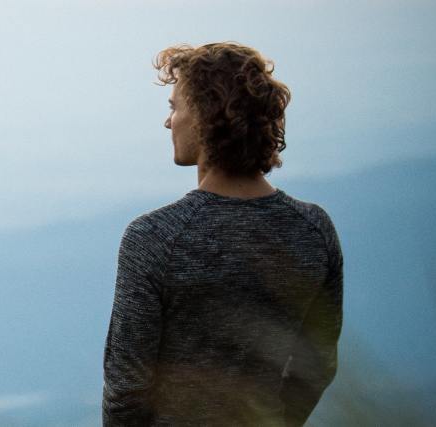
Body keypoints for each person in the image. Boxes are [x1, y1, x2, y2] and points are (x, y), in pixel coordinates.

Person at [102, 42, 343, 426]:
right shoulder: (313, 230)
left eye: (174, 107)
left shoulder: (154, 238)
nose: (168, 122)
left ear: (203, 116)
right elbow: (316, 366)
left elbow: (126, 390)